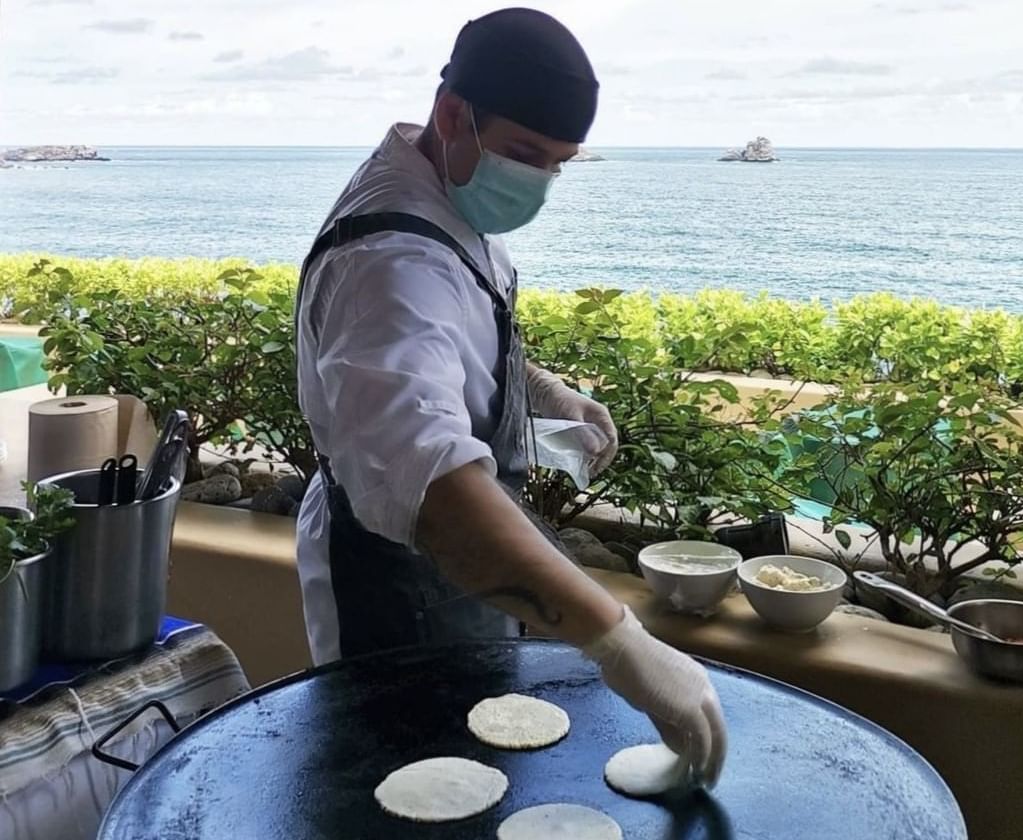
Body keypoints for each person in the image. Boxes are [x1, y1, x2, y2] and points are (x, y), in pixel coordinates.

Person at [295, 7, 726, 786]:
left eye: (559, 164)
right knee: (411, 779)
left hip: (448, 576)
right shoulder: (389, 265)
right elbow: (437, 489)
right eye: (526, 154)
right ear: (451, 112)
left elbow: (451, 334)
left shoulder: (437, 186)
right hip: (393, 582)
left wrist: (542, 390)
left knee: (476, 768)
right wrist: (618, 640)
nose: (539, 182)